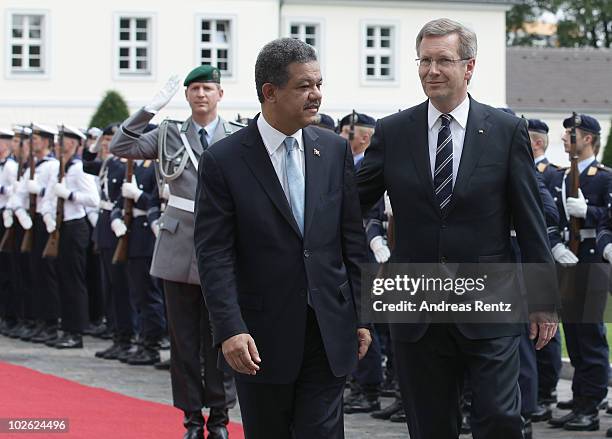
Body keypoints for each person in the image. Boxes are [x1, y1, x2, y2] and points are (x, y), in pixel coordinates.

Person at [356, 18, 558, 439]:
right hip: (417, 305)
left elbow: (530, 218)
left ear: (469, 67)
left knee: (501, 418)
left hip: (490, 302)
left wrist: (543, 298)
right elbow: (347, 204)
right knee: (429, 425)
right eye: (424, 60)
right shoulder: (393, 132)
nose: (432, 70)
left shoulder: (506, 131)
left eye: (443, 60)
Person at [194, 38, 371, 439]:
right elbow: (214, 254)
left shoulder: (333, 149)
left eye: (319, 84)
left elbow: (351, 240)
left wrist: (363, 316)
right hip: (259, 338)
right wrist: (229, 329)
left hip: (328, 330)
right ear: (269, 93)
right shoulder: (224, 161)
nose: (317, 95)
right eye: (304, 86)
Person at [110, 65, 240, 439]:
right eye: (195, 89)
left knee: (222, 335)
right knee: (182, 339)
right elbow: (122, 147)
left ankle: (219, 417)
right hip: (179, 242)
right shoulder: (169, 135)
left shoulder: (236, 135)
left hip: (222, 245)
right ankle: (190, 419)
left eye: (208, 88)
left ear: (220, 95)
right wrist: (149, 110)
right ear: (186, 95)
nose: (201, 95)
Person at [547, 114, 610, 432]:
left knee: (590, 335)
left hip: (593, 261)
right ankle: (580, 398)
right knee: (572, 332)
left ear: (587, 139)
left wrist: (590, 212)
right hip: (567, 261)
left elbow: (609, 219)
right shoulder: (559, 177)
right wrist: (556, 245)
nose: (563, 139)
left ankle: (591, 403)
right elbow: (552, 219)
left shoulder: (604, 177)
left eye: (570, 134)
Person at [41, 125, 100, 348]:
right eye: (58, 141)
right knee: (63, 279)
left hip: (76, 226)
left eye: (63, 141)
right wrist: (47, 215)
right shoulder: (60, 168)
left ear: (74, 144)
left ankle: (75, 332)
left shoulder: (77, 169)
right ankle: (65, 328)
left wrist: (70, 195)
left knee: (74, 280)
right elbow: (48, 196)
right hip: (60, 227)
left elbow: (92, 199)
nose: (58, 145)